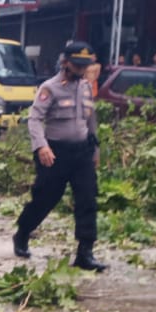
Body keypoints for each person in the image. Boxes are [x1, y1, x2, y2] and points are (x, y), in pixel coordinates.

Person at [12, 41, 107, 272]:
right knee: (46, 198)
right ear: (65, 63)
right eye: (77, 65)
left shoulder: (85, 87)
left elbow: (90, 119)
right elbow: (34, 120)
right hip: (54, 153)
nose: (82, 70)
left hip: (82, 152)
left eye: (85, 65)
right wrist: (41, 147)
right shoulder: (49, 88)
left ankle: (85, 252)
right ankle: (23, 233)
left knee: (87, 199)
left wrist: (95, 150)